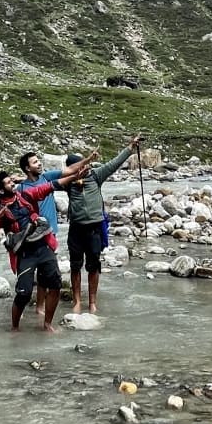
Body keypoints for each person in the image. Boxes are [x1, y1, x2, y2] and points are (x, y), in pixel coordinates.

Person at [0, 153, 96, 333]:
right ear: (1, 191)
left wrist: (74, 177)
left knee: (55, 285)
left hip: (43, 247)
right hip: (25, 254)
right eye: (9, 183)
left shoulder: (25, 194)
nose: (13, 184)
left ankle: (47, 324)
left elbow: (48, 187)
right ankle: (15, 328)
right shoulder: (1, 214)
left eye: (13, 181)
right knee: (24, 293)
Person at [62, 134, 142, 314]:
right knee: (75, 266)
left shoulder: (96, 176)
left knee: (93, 265)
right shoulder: (68, 183)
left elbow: (114, 163)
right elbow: (47, 182)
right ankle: (76, 301)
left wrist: (130, 147)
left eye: (84, 165)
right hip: (76, 227)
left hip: (94, 228)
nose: (82, 169)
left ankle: (92, 302)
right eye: (76, 167)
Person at [17, 150, 63, 317]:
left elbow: (67, 173)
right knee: (30, 270)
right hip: (33, 236)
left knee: (46, 271)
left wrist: (86, 161)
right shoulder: (21, 188)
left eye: (38, 161)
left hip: (50, 233)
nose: (39, 164)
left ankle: (40, 306)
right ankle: (25, 301)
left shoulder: (47, 177)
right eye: (35, 162)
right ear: (27, 168)